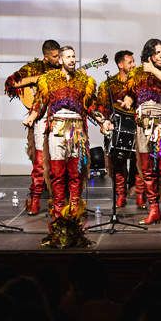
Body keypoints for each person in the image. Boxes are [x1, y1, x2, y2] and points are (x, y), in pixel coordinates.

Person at [24, 46, 110, 218]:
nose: (72, 60)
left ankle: (74, 208)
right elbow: (40, 102)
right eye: (68, 57)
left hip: (77, 130)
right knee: (57, 173)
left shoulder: (84, 81)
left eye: (74, 56)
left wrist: (103, 120)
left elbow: (90, 105)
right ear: (61, 60)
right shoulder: (49, 79)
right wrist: (32, 116)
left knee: (76, 172)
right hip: (57, 128)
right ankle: (58, 210)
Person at [120, 39, 161, 225]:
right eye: (157, 52)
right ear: (149, 55)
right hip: (143, 125)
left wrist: (153, 70)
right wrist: (128, 101)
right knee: (146, 170)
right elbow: (131, 92)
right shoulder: (137, 74)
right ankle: (154, 210)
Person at [4, 40, 62, 216]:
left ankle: (58, 201)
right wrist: (36, 80)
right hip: (39, 118)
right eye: (54, 56)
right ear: (45, 56)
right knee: (39, 163)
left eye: (60, 55)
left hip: (58, 118)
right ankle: (35, 200)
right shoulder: (34, 68)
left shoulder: (62, 70)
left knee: (57, 163)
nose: (58, 59)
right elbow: (11, 83)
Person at [97, 50, 144, 209]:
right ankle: (120, 195)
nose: (133, 65)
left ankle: (139, 195)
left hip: (137, 125)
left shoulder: (139, 82)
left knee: (139, 162)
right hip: (117, 127)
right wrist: (104, 123)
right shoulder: (108, 85)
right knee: (118, 163)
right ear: (120, 64)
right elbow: (102, 107)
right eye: (130, 62)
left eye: (133, 61)